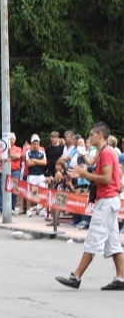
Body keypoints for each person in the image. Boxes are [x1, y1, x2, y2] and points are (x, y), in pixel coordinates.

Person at [56, 122, 124, 290]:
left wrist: (86, 174)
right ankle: (121, 278)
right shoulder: (104, 152)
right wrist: (84, 171)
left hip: (107, 201)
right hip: (109, 201)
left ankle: (76, 277)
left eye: (92, 135)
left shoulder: (107, 153)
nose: (89, 138)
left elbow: (107, 178)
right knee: (113, 243)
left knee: (93, 238)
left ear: (100, 135)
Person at [25, 134, 48, 217]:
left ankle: (43, 209)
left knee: (43, 192)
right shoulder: (28, 152)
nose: (36, 145)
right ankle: (28, 210)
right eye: (34, 144)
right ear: (31, 144)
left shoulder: (42, 153)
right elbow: (29, 164)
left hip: (40, 175)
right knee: (31, 192)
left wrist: (34, 160)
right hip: (32, 175)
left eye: (37, 144)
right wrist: (39, 161)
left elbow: (44, 163)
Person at [8, 133, 23, 215]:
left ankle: (12, 208)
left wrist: (9, 156)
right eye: (9, 139)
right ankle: (5, 208)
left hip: (15, 171)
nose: (10, 140)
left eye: (11, 139)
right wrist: (11, 156)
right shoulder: (5, 148)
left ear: (14, 140)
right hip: (6, 171)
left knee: (14, 190)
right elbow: (1, 158)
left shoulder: (18, 148)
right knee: (5, 190)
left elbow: (17, 156)